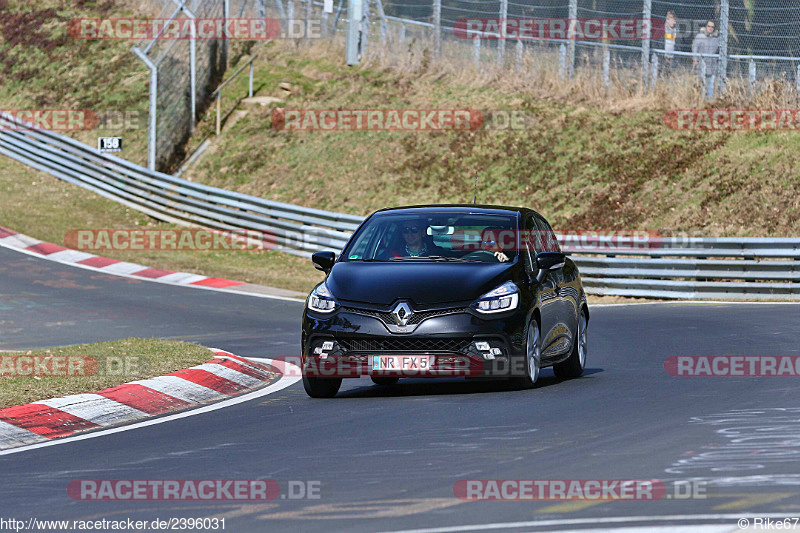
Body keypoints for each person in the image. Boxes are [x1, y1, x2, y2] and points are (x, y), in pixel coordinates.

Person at [693, 20, 720, 100]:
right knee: (701, 84)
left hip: (713, 65)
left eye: (712, 27)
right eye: (709, 26)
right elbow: (695, 48)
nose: (710, 28)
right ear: (706, 26)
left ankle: (709, 101)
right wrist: (695, 60)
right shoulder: (700, 36)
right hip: (702, 64)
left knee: (711, 85)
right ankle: (700, 99)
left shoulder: (717, 38)